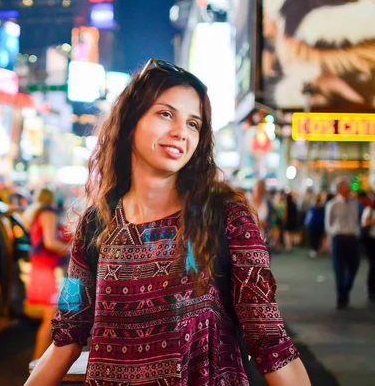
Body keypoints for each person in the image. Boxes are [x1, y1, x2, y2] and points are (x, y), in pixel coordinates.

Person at [25, 59, 310, 386]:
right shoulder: (95, 224)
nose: (180, 132)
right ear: (132, 120)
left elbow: (269, 339)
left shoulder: (225, 216)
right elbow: (67, 333)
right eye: (165, 114)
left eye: (193, 124)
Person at [22, 188, 72, 361]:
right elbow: (51, 242)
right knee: (54, 321)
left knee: (58, 320)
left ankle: (43, 365)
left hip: (48, 270)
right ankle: (38, 366)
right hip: (53, 271)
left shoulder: (38, 213)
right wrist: (72, 250)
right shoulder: (48, 214)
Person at [325, 177, 360, 310]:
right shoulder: (332, 204)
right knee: (339, 269)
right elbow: (328, 224)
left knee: (354, 266)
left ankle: (346, 288)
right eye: (345, 186)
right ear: (339, 189)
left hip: (352, 237)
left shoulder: (355, 203)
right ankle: (341, 297)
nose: (348, 189)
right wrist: (332, 235)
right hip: (339, 238)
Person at [360, 197, 375, 302]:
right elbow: (364, 224)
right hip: (371, 241)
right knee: (373, 265)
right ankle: (371, 289)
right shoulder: (369, 210)